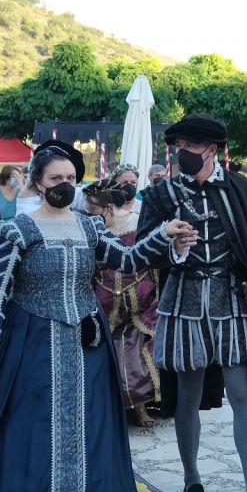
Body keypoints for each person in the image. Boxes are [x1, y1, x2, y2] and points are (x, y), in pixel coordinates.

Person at [0, 146, 194, 492]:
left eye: (70, 179)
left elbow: (128, 259)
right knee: (29, 428)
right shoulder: (19, 229)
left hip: (87, 344)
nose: (64, 185)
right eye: (56, 178)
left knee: (88, 424)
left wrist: (165, 236)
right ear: (38, 183)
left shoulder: (89, 226)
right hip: (31, 341)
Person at [141, 114, 247, 492]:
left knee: (241, 393)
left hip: (232, 302)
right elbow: (145, 250)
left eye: (190, 146)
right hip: (184, 300)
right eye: (179, 147)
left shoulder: (242, 189)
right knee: (188, 393)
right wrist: (174, 248)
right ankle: (192, 480)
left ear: (210, 150)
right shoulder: (160, 194)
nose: (182, 153)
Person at [86, 178, 162, 429]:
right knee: (106, 351)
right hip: (104, 298)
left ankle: (141, 406)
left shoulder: (138, 224)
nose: (90, 214)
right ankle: (110, 409)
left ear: (108, 208)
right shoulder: (92, 230)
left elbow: (151, 258)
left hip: (140, 296)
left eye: (93, 209)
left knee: (134, 349)